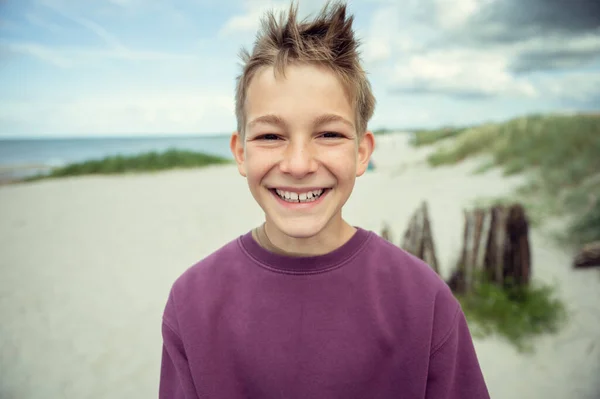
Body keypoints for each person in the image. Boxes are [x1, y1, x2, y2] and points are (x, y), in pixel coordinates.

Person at [159, 1, 490, 398]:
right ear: (241, 152)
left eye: (329, 134)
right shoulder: (192, 302)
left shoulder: (424, 301)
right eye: (270, 136)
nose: (298, 165)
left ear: (363, 152)